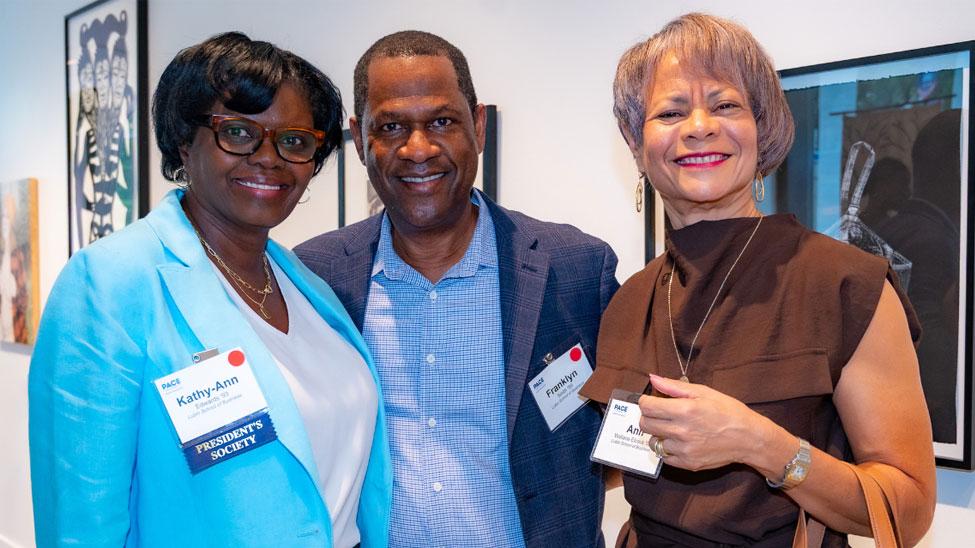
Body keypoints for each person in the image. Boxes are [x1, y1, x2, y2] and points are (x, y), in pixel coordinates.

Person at [579, 13, 936, 547]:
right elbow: (619, 461)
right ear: (636, 143)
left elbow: (906, 513)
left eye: (725, 105)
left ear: (762, 130)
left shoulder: (845, 286)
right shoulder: (630, 300)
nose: (699, 126)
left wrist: (762, 445)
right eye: (671, 111)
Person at [29, 32, 390, 547]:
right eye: (239, 132)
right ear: (183, 140)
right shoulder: (109, 285)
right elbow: (79, 525)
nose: (269, 157)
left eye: (294, 140)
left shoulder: (308, 285)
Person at [295, 30, 619, 548]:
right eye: (392, 126)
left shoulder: (576, 268)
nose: (417, 148)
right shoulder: (315, 277)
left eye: (442, 122)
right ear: (360, 140)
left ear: (480, 125)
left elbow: (632, 433)